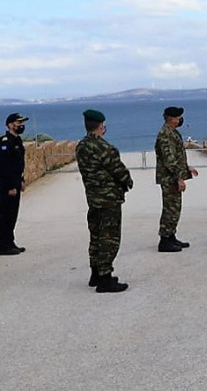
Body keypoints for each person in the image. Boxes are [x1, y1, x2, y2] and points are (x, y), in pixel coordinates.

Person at [75, 109, 134, 293]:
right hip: (109, 200)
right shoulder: (104, 147)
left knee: (96, 237)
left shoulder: (81, 146)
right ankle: (105, 279)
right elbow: (119, 171)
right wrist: (128, 181)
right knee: (109, 239)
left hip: (93, 198)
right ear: (101, 126)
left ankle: (96, 274)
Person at [155, 106, 199, 252]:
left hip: (172, 177)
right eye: (178, 117)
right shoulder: (165, 135)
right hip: (169, 179)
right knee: (170, 209)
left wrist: (187, 168)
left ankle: (171, 237)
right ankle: (164, 241)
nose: (180, 120)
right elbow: (169, 159)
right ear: (171, 119)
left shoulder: (172, 133)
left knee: (175, 209)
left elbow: (177, 156)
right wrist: (179, 178)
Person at [0, 113, 28, 255]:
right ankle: (3, 246)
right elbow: (4, 166)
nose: (21, 125)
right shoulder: (5, 142)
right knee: (5, 214)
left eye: (22, 122)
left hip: (15, 182)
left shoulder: (17, 141)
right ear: (10, 125)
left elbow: (18, 164)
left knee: (12, 214)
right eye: (18, 122)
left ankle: (10, 242)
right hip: (6, 185)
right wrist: (11, 186)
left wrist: (21, 180)